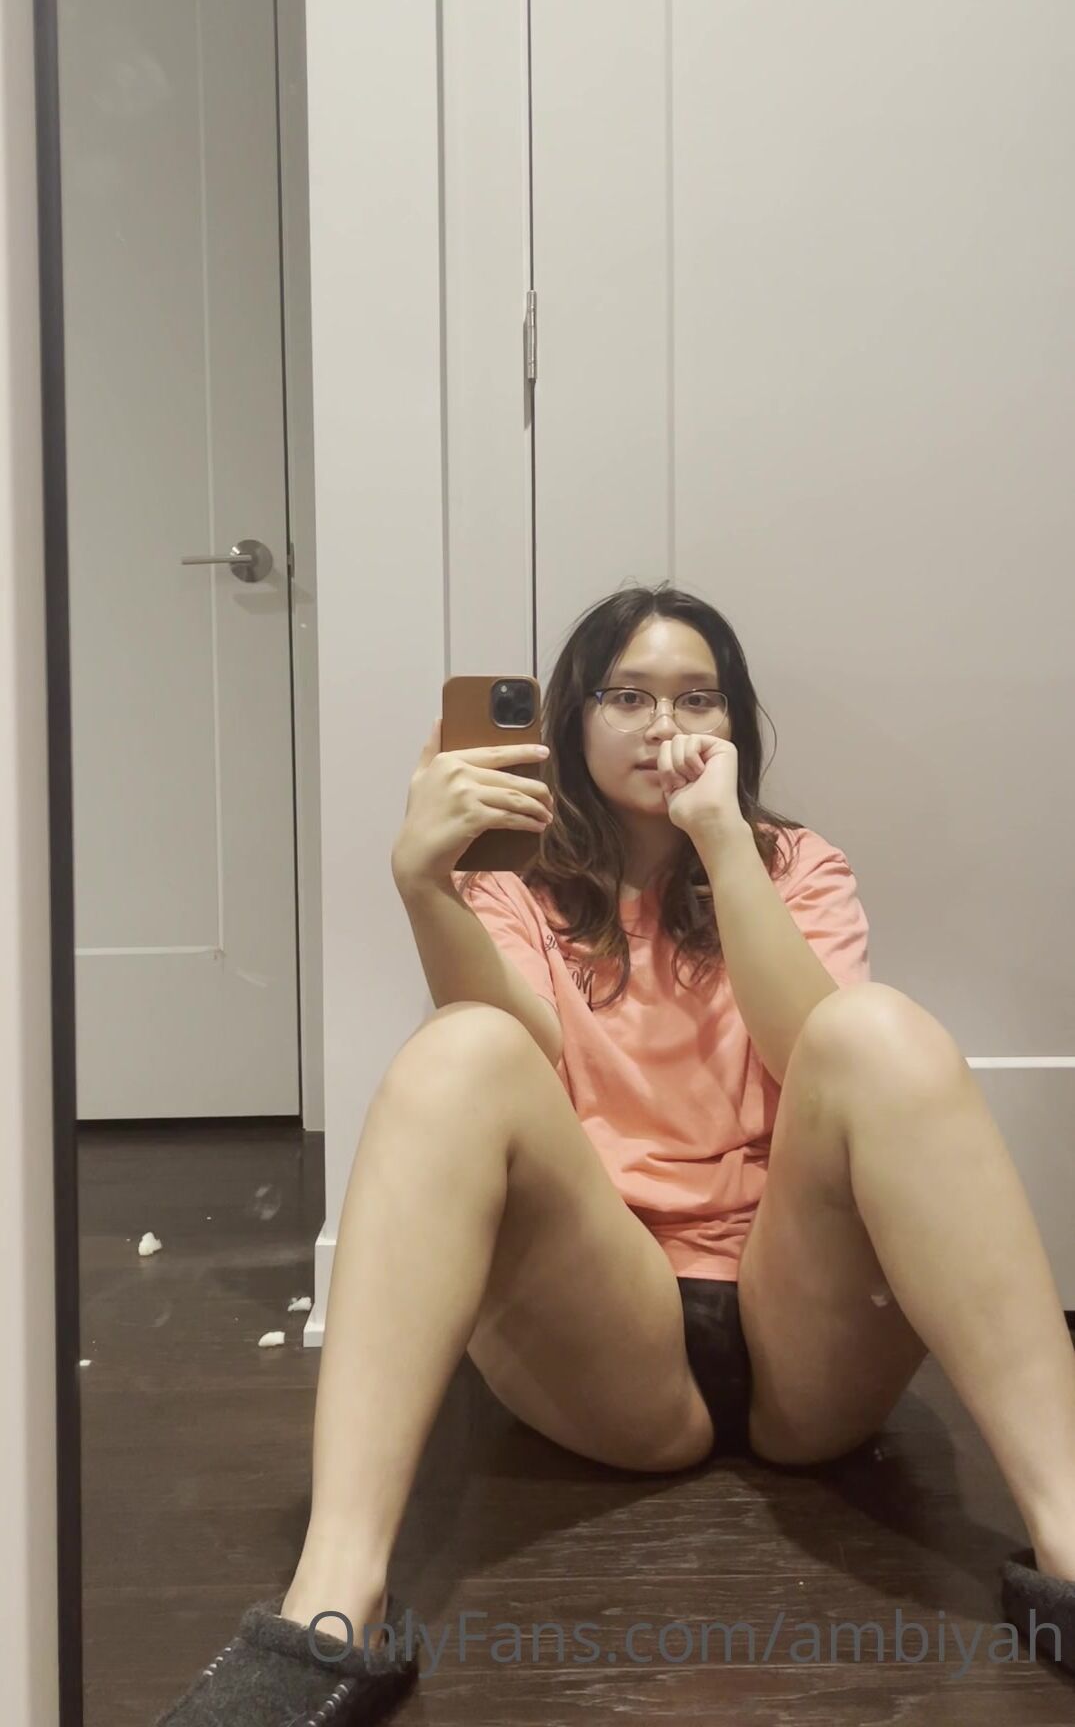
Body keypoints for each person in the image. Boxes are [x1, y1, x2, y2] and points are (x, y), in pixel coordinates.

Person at [156, 583, 1075, 1723]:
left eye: (697, 698)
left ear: (736, 723)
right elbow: (518, 1056)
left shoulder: (795, 862)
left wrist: (722, 843)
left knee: (880, 1030)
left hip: (805, 1331)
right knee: (460, 1050)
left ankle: (1069, 1540)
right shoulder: (513, 875)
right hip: (611, 1334)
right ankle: (332, 1601)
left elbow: (810, 1051)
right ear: (571, 719)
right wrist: (424, 887)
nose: (663, 725)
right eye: (627, 697)